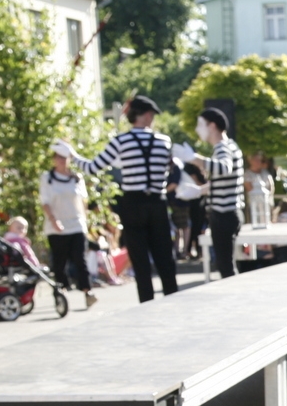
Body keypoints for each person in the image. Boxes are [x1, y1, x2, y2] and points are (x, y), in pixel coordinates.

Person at [66, 96, 176, 302]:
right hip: (158, 202)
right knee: (164, 256)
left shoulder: (121, 141)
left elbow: (93, 167)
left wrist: (72, 156)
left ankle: (147, 302)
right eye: (151, 115)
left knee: (139, 258)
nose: (152, 118)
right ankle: (172, 297)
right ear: (144, 116)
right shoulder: (164, 141)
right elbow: (169, 169)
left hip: (133, 203)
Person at [189, 107, 244, 279]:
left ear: (212, 126)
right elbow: (226, 180)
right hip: (228, 213)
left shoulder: (222, 147)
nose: (198, 130)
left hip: (224, 214)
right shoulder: (230, 146)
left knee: (225, 266)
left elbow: (224, 168)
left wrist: (194, 159)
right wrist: (200, 191)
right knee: (226, 264)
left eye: (200, 125)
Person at [39, 142, 96, 307]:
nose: (62, 161)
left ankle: (87, 291)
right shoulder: (47, 178)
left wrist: (86, 222)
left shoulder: (77, 178)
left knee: (80, 258)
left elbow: (82, 202)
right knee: (59, 261)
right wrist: (53, 220)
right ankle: (61, 292)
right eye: (58, 157)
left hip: (76, 224)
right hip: (56, 226)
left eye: (64, 158)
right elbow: (45, 201)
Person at [244, 151, 273, 226]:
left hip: (267, 202)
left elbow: (271, 185)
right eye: (256, 160)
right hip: (255, 204)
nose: (259, 162)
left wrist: (268, 195)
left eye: (259, 160)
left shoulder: (265, 172)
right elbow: (249, 188)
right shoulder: (247, 174)